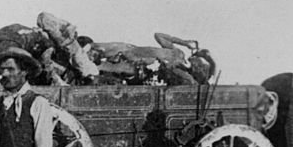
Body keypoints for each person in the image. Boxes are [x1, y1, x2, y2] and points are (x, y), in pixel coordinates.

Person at [85, 33, 215, 86]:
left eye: (200, 64)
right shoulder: (178, 53)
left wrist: (164, 65)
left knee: (103, 67)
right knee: (99, 48)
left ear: (198, 70)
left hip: (136, 68)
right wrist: (184, 42)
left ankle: (84, 64)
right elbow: (158, 35)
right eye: (200, 60)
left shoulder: (184, 74)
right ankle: (85, 50)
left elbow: (172, 75)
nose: (197, 60)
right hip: (131, 50)